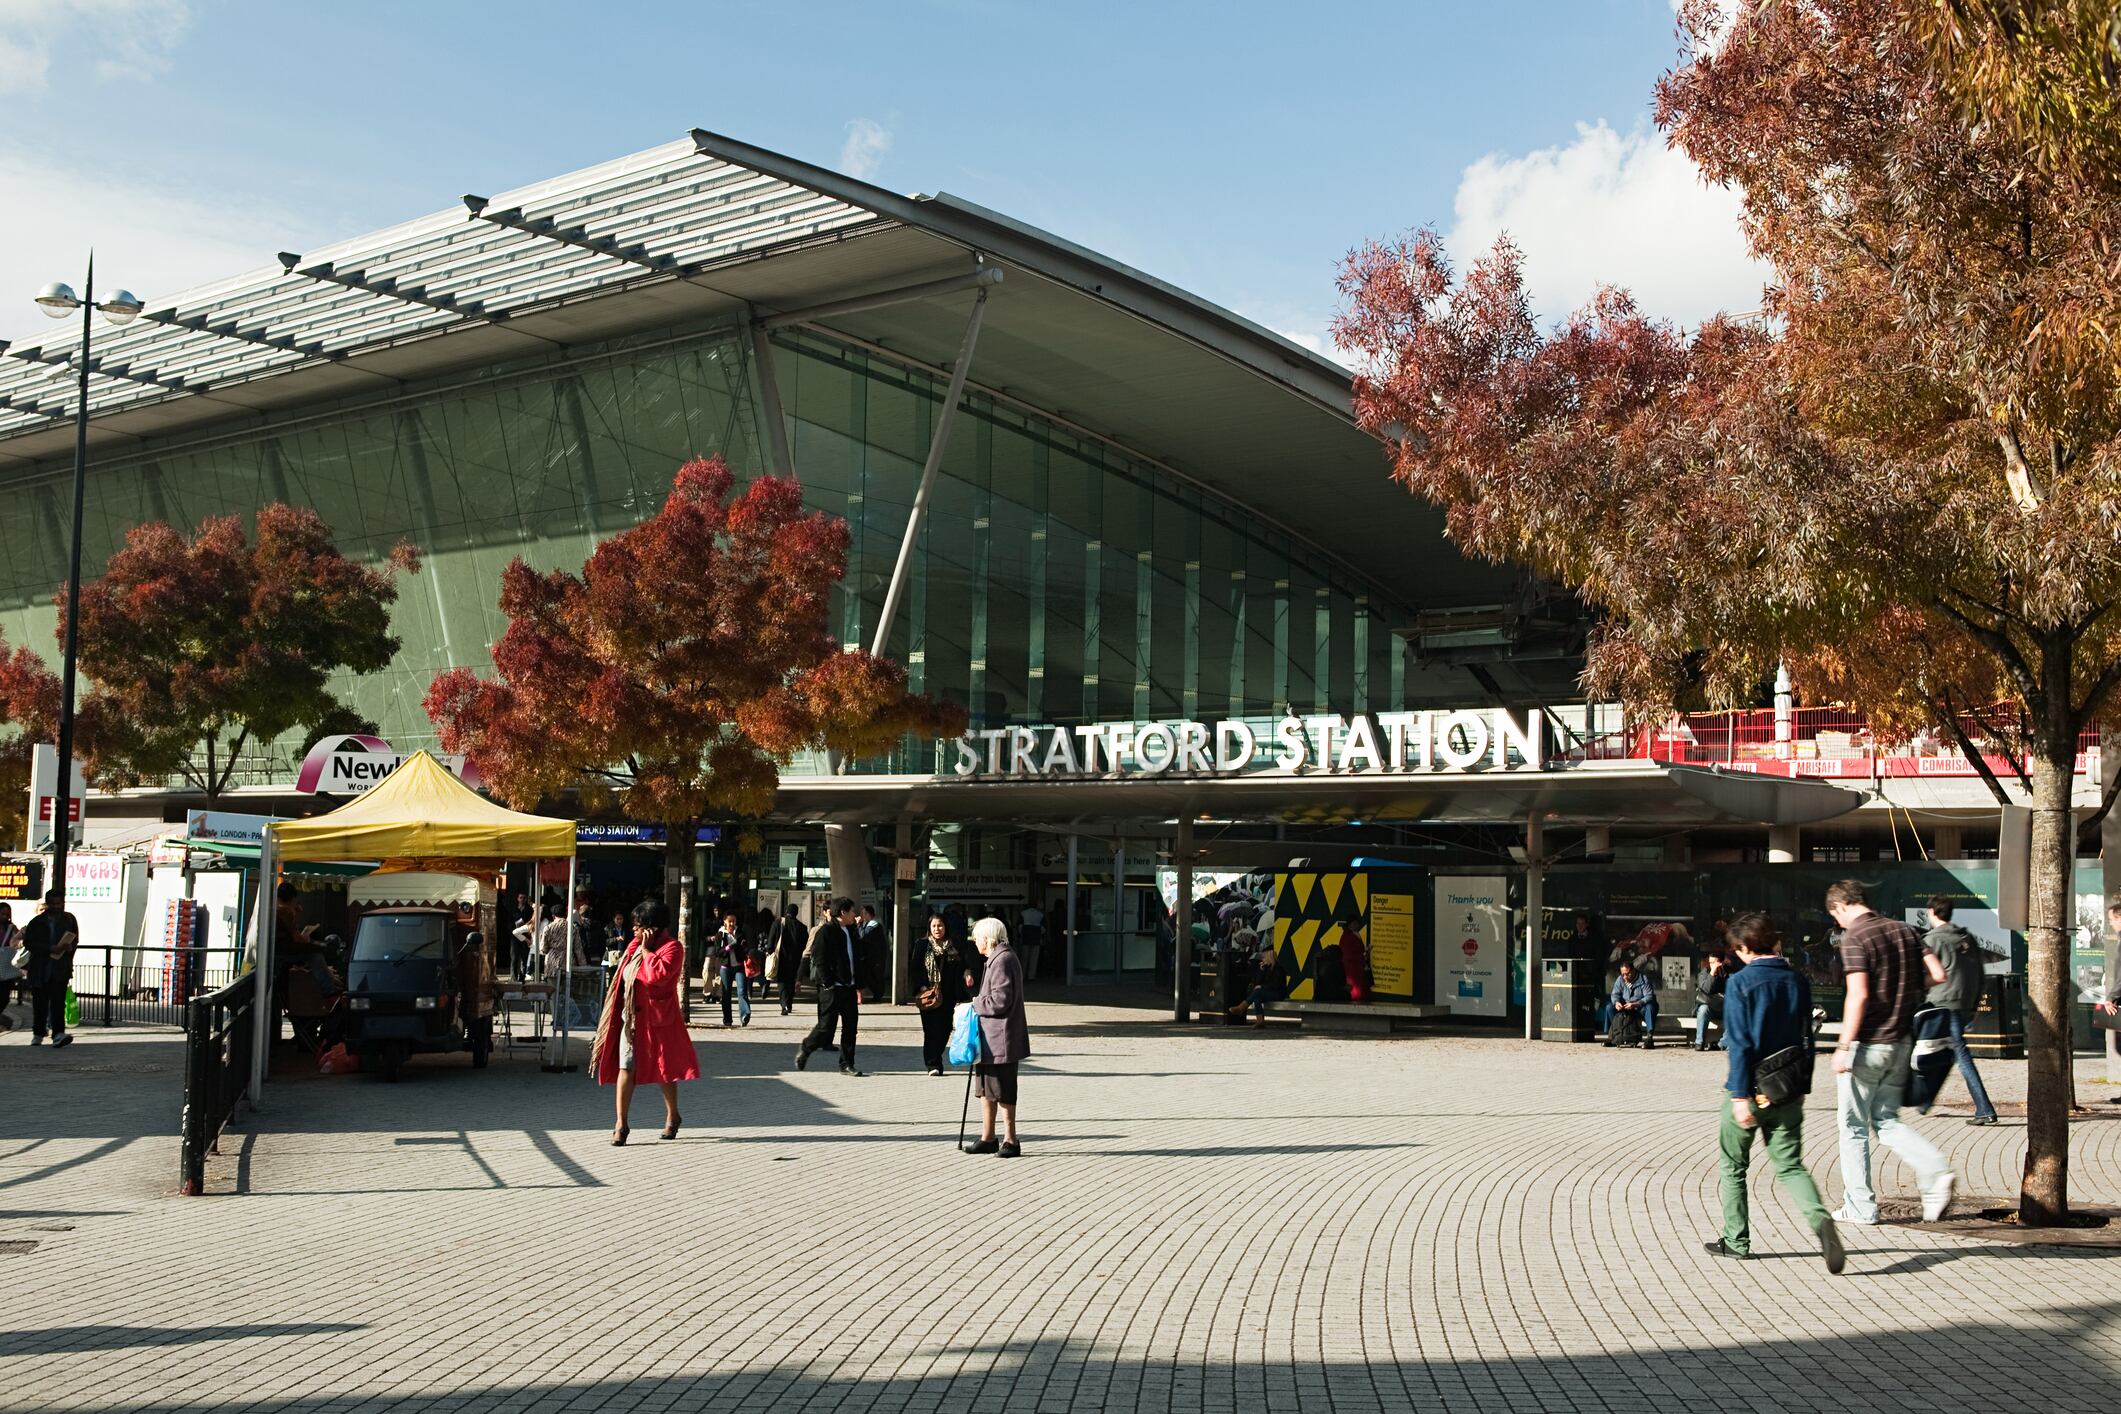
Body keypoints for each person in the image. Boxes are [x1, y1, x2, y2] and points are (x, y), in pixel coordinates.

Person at [1703, 913, 1842, 1273]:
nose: (1736, 955)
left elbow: (1740, 1043)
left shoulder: (1741, 983)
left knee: (1733, 1166)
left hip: (1751, 1087)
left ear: (1745, 947)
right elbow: (1807, 1036)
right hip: (1788, 1087)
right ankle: (1820, 1221)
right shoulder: (1796, 979)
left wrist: (1739, 1096)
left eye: (1737, 949)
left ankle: (1736, 1241)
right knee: (1791, 1165)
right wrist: (1802, 1085)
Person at [1824, 879, 1957, 1225]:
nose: (1838, 923)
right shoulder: (1906, 930)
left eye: (1836, 916)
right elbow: (1938, 974)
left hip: (1867, 1044)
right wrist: (1910, 988)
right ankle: (1935, 1171)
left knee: (1853, 1127)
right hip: (1901, 1042)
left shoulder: (1855, 937)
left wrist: (1842, 1046)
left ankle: (1860, 1206)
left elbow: (1859, 995)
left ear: (1841, 906)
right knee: (1886, 1121)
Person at [592, 899, 699, 1145]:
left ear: (653, 928)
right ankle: (621, 1124)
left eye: (638, 925)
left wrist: (648, 952)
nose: (634, 929)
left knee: (664, 1070)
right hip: (631, 1018)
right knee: (626, 1066)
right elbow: (623, 975)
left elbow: (657, 977)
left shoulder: (672, 948)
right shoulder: (634, 946)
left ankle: (673, 1115)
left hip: (659, 1019)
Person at [1922, 897, 1999, 1126]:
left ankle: (1984, 1109)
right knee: (1945, 1051)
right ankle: (1924, 1100)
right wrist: (1974, 1006)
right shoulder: (1967, 938)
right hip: (1963, 1004)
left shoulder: (1932, 940)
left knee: (1958, 1055)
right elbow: (1981, 974)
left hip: (1943, 1004)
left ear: (1931, 912)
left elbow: (1924, 974)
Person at [964, 915, 1029, 1157]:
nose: (975, 942)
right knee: (986, 1088)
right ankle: (988, 1137)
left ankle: (1011, 1140)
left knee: (1003, 1089)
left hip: (1001, 1038)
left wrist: (975, 1003)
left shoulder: (1002, 960)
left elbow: (1000, 1001)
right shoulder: (995, 958)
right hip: (990, 1038)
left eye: (977, 938)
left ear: (988, 938)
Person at [796, 897, 864, 1076]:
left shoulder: (851, 931)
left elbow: (856, 958)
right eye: (852, 911)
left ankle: (847, 1064)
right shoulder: (825, 932)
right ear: (843, 912)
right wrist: (828, 983)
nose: (854, 914)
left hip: (849, 987)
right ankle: (807, 1047)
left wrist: (858, 984)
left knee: (850, 1028)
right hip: (833, 988)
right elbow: (819, 959)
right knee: (826, 1027)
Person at [22, 888, 79, 1047]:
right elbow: (29, 943)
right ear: (47, 904)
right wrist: (49, 948)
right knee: (40, 1003)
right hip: (40, 968)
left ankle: (58, 1033)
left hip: (60, 967)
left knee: (58, 1002)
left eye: (59, 903)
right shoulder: (36, 922)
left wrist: (69, 949)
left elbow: (75, 939)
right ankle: (38, 1033)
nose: (56, 907)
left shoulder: (69, 920)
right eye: (53, 904)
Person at [915, 914, 964, 1074]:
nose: (937, 929)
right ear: (929, 928)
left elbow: (962, 965)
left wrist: (967, 973)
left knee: (945, 1028)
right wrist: (921, 986)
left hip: (948, 994)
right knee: (931, 1031)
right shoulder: (922, 944)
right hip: (928, 994)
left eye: (940, 925)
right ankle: (933, 1064)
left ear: (945, 927)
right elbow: (916, 967)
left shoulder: (953, 945)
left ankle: (936, 1056)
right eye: (934, 926)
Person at [714, 912, 751, 1028]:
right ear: (724, 921)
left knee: (742, 991)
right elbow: (717, 952)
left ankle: (745, 1015)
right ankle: (727, 1019)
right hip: (726, 968)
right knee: (726, 994)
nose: (732, 924)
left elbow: (745, 946)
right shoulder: (720, 935)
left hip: (739, 966)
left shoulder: (739, 933)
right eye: (729, 921)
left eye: (733, 921)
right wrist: (727, 948)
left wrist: (745, 948)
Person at [1608, 960, 1656, 1049]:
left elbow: (1649, 996)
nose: (1625, 976)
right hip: (1626, 1007)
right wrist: (1616, 1003)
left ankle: (1650, 1038)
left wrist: (1636, 1004)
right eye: (1623, 974)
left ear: (1633, 971)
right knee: (1609, 1007)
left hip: (1640, 1007)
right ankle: (1615, 1035)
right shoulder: (1620, 979)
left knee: (1650, 1007)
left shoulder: (1643, 979)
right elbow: (1615, 994)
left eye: (1627, 974)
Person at [774, 904, 807, 1015]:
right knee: (791, 981)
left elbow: (771, 938)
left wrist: (769, 951)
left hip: (781, 957)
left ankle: (784, 1004)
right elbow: (805, 944)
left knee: (782, 982)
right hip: (795, 959)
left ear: (786, 911)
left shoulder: (778, 923)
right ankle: (789, 1003)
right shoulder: (802, 927)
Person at [1693, 953, 1730, 1051]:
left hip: (1724, 1007)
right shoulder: (1704, 973)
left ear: (1721, 963)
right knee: (1703, 1009)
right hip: (1710, 1006)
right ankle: (1699, 1042)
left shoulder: (1728, 973)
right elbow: (1706, 990)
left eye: (1714, 963)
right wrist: (1712, 973)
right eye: (1710, 962)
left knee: (1735, 1011)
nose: (1711, 965)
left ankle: (1722, 1044)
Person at [1337, 918, 1371, 1004]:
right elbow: (1348, 954)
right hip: (1352, 969)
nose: (1357, 925)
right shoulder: (1349, 936)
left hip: (1355, 968)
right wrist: (1363, 956)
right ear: (1350, 925)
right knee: (1356, 993)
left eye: (1357, 923)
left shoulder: (1351, 935)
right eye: (1355, 923)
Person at [0, 901, 23, 1026]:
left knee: (4, 998)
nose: (5, 917)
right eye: (2, 913)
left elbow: (18, 941)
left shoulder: (11, 927)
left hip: (5, 966)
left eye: (7, 914)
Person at [1018, 901, 1046, 981]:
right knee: (1034, 958)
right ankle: (1031, 976)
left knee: (1024, 957)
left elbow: (1020, 927)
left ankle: (1023, 975)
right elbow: (1043, 929)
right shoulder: (1040, 914)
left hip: (1026, 938)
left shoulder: (1023, 913)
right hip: (1036, 938)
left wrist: (1021, 935)